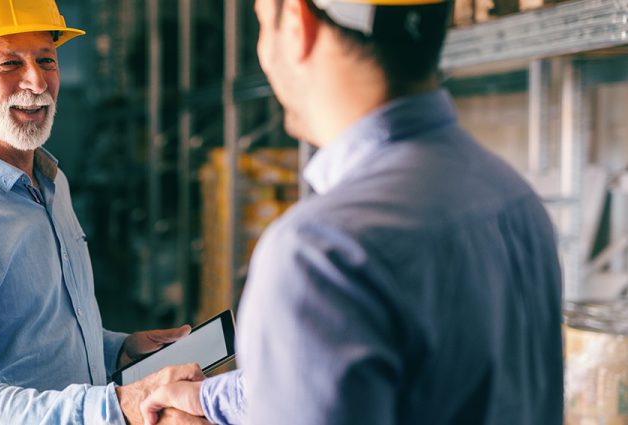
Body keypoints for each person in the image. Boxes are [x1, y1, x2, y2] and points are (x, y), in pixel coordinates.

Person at [140, 0, 564, 424]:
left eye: (261, 22)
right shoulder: (513, 199)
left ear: (295, 24)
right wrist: (210, 401)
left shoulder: (319, 254)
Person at [0, 0, 209, 423]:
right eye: (8, 64)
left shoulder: (51, 182)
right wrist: (117, 406)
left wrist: (116, 350)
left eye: (46, 59)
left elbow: (33, 335)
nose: (37, 82)